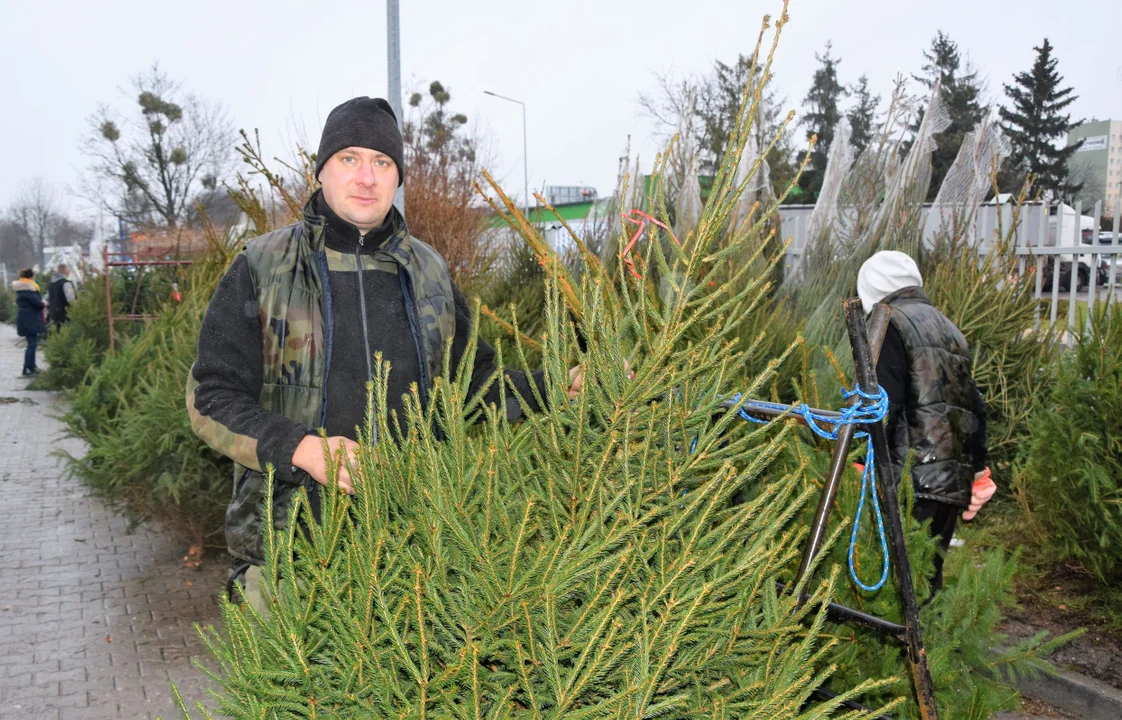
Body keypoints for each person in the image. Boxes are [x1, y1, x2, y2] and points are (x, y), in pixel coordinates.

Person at [186, 96, 578, 601]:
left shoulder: (428, 271)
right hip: (290, 556)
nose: (366, 177)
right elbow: (209, 397)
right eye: (349, 158)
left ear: (397, 178)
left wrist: (560, 386)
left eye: (382, 162)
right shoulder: (263, 266)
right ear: (322, 170)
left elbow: (476, 384)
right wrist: (303, 449)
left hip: (415, 552)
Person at [856, 251, 994, 592]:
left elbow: (881, 404)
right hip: (949, 484)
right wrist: (977, 471)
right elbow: (973, 407)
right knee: (925, 582)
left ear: (870, 287)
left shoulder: (887, 322)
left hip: (909, 481)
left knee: (893, 589)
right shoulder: (949, 328)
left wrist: (860, 458)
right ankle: (927, 645)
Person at [12, 268, 46, 376]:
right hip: (31, 319)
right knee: (32, 344)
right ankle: (28, 368)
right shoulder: (29, 290)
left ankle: (31, 366)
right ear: (31, 277)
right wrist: (44, 303)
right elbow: (38, 304)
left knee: (31, 343)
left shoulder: (21, 290)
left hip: (24, 319)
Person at [47, 264, 77, 332]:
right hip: (65, 313)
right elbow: (70, 298)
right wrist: (76, 308)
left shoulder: (51, 283)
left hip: (53, 313)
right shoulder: (65, 282)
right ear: (65, 270)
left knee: (58, 332)